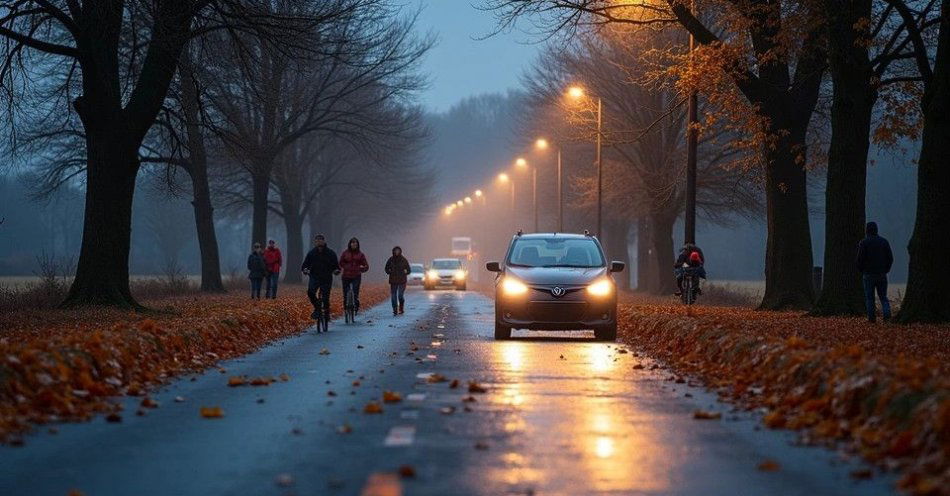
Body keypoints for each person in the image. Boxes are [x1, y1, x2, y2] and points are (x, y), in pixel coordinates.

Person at [856, 221, 894, 323]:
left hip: (868, 274)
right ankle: (887, 316)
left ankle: (872, 319)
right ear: (876, 229)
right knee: (883, 297)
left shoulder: (864, 243)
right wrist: (886, 269)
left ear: (867, 230)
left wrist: (862, 270)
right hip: (882, 274)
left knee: (869, 298)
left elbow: (859, 259)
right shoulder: (884, 242)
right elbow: (890, 258)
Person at [301, 234, 340, 328]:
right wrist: (305, 270)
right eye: (317, 240)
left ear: (324, 241)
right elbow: (304, 265)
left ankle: (326, 314)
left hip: (326, 278)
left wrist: (336, 271)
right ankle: (317, 308)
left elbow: (336, 266)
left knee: (326, 298)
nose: (319, 242)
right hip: (314, 277)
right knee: (310, 292)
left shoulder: (331, 253)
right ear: (315, 242)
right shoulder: (311, 253)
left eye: (320, 240)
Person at [339, 237, 369, 314]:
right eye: (352, 243)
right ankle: (346, 309)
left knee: (355, 292)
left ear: (357, 245)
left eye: (355, 243)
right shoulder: (345, 253)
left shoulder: (360, 254)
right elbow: (341, 262)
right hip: (346, 275)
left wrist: (362, 268)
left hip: (356, 275)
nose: (354, 244)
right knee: (345, 293)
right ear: (350, 244)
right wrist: (345, 266)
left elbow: (366, 265)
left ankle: (355, 304)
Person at [385, 246, 411, 316]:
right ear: (393, 251)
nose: (396, 252)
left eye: (398, 251)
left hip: (402, 280)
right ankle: (395, 309)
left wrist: (406, 272)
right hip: (393, 280)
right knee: (393, 296)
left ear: (400, 251)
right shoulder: (390, 260)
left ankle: (401, 308)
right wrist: (389, 271)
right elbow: (386, 268)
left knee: (400, 295)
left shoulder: (404, 260)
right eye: (395, 251)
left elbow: (409, 270)